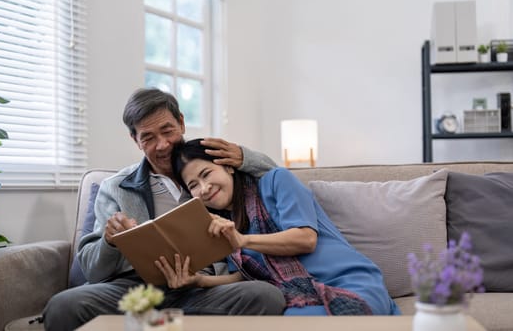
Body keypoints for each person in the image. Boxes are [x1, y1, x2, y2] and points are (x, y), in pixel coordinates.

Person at [42, 88, 286, 330]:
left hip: (204, 288)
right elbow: (92, 271)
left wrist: (244, 157)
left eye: (167, 131)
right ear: (135, 141)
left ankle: (160, 324)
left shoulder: (213, 166)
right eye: (148, 137)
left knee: (266, 296)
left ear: (181, 123)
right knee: (64, 305)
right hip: (136, 292)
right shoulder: (115, 188)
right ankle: (169, 323)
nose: (162, 145)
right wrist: (110, 241)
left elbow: (278, 181)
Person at [157, 138, 401, 316]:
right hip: (298, 300)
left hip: (349, 282)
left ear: (228, 167)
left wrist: (242, 240)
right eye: (194, 185)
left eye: (207, 174)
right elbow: (244, 277)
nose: (205, 188)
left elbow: (305, 239)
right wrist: (198, 282)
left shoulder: (276, 181)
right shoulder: (221, 225)